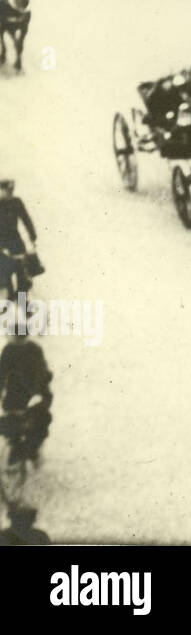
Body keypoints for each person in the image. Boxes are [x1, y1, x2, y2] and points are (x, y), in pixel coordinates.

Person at [0, 325, 53, 469]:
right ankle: (25, 452)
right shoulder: (10, 351)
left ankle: (30, 451)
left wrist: (42, 394)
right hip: (16, 399)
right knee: (21, 424)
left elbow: (43, 375)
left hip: (30, 398)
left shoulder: (30, 350)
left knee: (40, 422)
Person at [0, 181, 37, 300]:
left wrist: (32, 236)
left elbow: (26, 219)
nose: (9, 193)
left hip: (14, 244)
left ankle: (20, 304)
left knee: (19, 276)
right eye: (7, 190)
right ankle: (12, 303)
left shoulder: (16, 202)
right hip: (7, 245)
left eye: (11, 190)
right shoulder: (15, 202)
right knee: (8, 278)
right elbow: (26, 219)